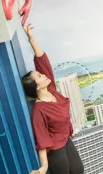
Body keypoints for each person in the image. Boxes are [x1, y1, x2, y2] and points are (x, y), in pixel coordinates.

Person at [21, 24, 84, 174]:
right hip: (56, 149)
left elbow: (42, 60)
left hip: (66, 139)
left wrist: (31, 39)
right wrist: (44, 167)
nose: (43, 75)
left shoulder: (51, 90)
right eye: (39, 76)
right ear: (36, 87)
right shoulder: (39, 110)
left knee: (78, 170)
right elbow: (41, 138)